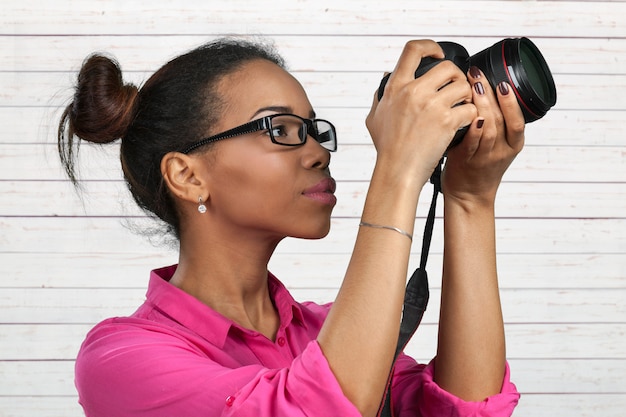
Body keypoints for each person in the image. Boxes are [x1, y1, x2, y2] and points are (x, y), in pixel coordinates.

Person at [57, 37, 524, 417]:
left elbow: (464, 409)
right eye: (279, 129)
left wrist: (469, 199)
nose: (319, 152)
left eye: (313, 128)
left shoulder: (326, 329)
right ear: (188, 176)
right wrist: (399, 170)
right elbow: (318, 406)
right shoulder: (121, 359)